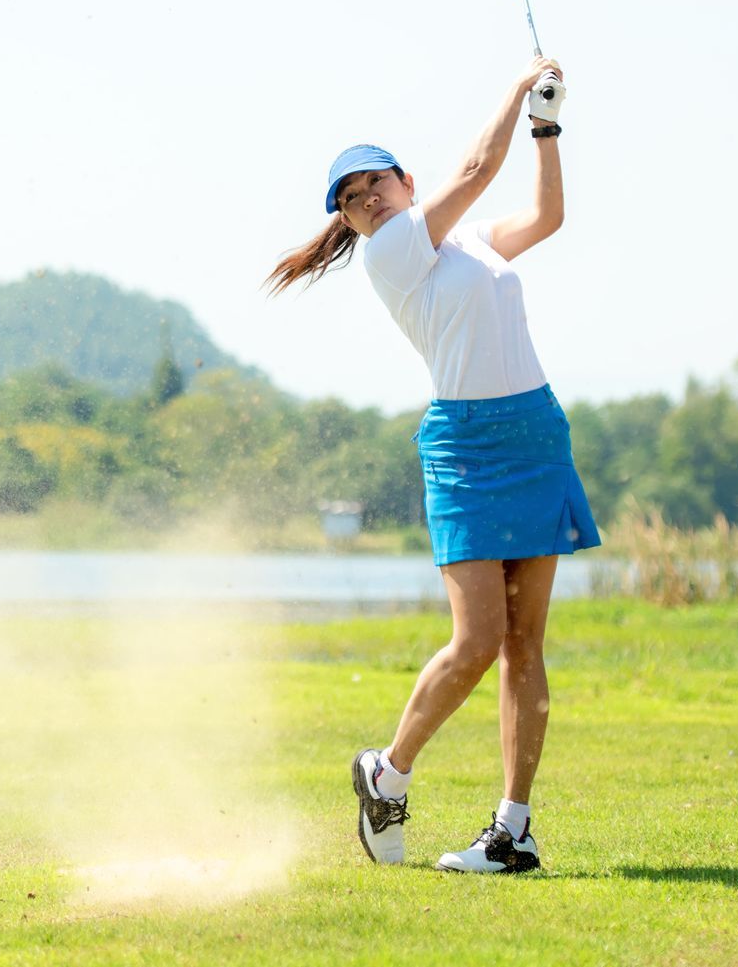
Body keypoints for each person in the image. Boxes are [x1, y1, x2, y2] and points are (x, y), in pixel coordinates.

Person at [266, 55, 600, 875]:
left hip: (534, 433)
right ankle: (388, 768)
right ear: (350, 221)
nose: (366, 200)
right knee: (478, 637)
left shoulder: (472, 242)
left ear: (403, 181)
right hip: (466, 447)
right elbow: (479, 166)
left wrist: (548, 127)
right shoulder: (392, 254)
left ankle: (513, 829)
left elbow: (548, 217)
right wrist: (519, 89)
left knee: (527, 642)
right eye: (351, 199)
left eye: (374, 184)